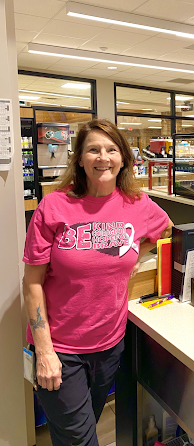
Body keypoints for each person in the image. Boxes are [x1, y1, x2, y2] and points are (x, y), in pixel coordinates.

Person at [22, 118, 173, 446]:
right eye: (93, 150)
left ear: (123, 159)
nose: (102, 157)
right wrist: (44, 351)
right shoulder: (53, 206)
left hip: (109, 344)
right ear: (79, 159)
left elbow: (164, 227)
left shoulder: (137, 203)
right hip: (61, 348)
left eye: (111, 149)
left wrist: (133, 254)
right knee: (80, 439)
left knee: (84, 423)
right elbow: (32, 283)